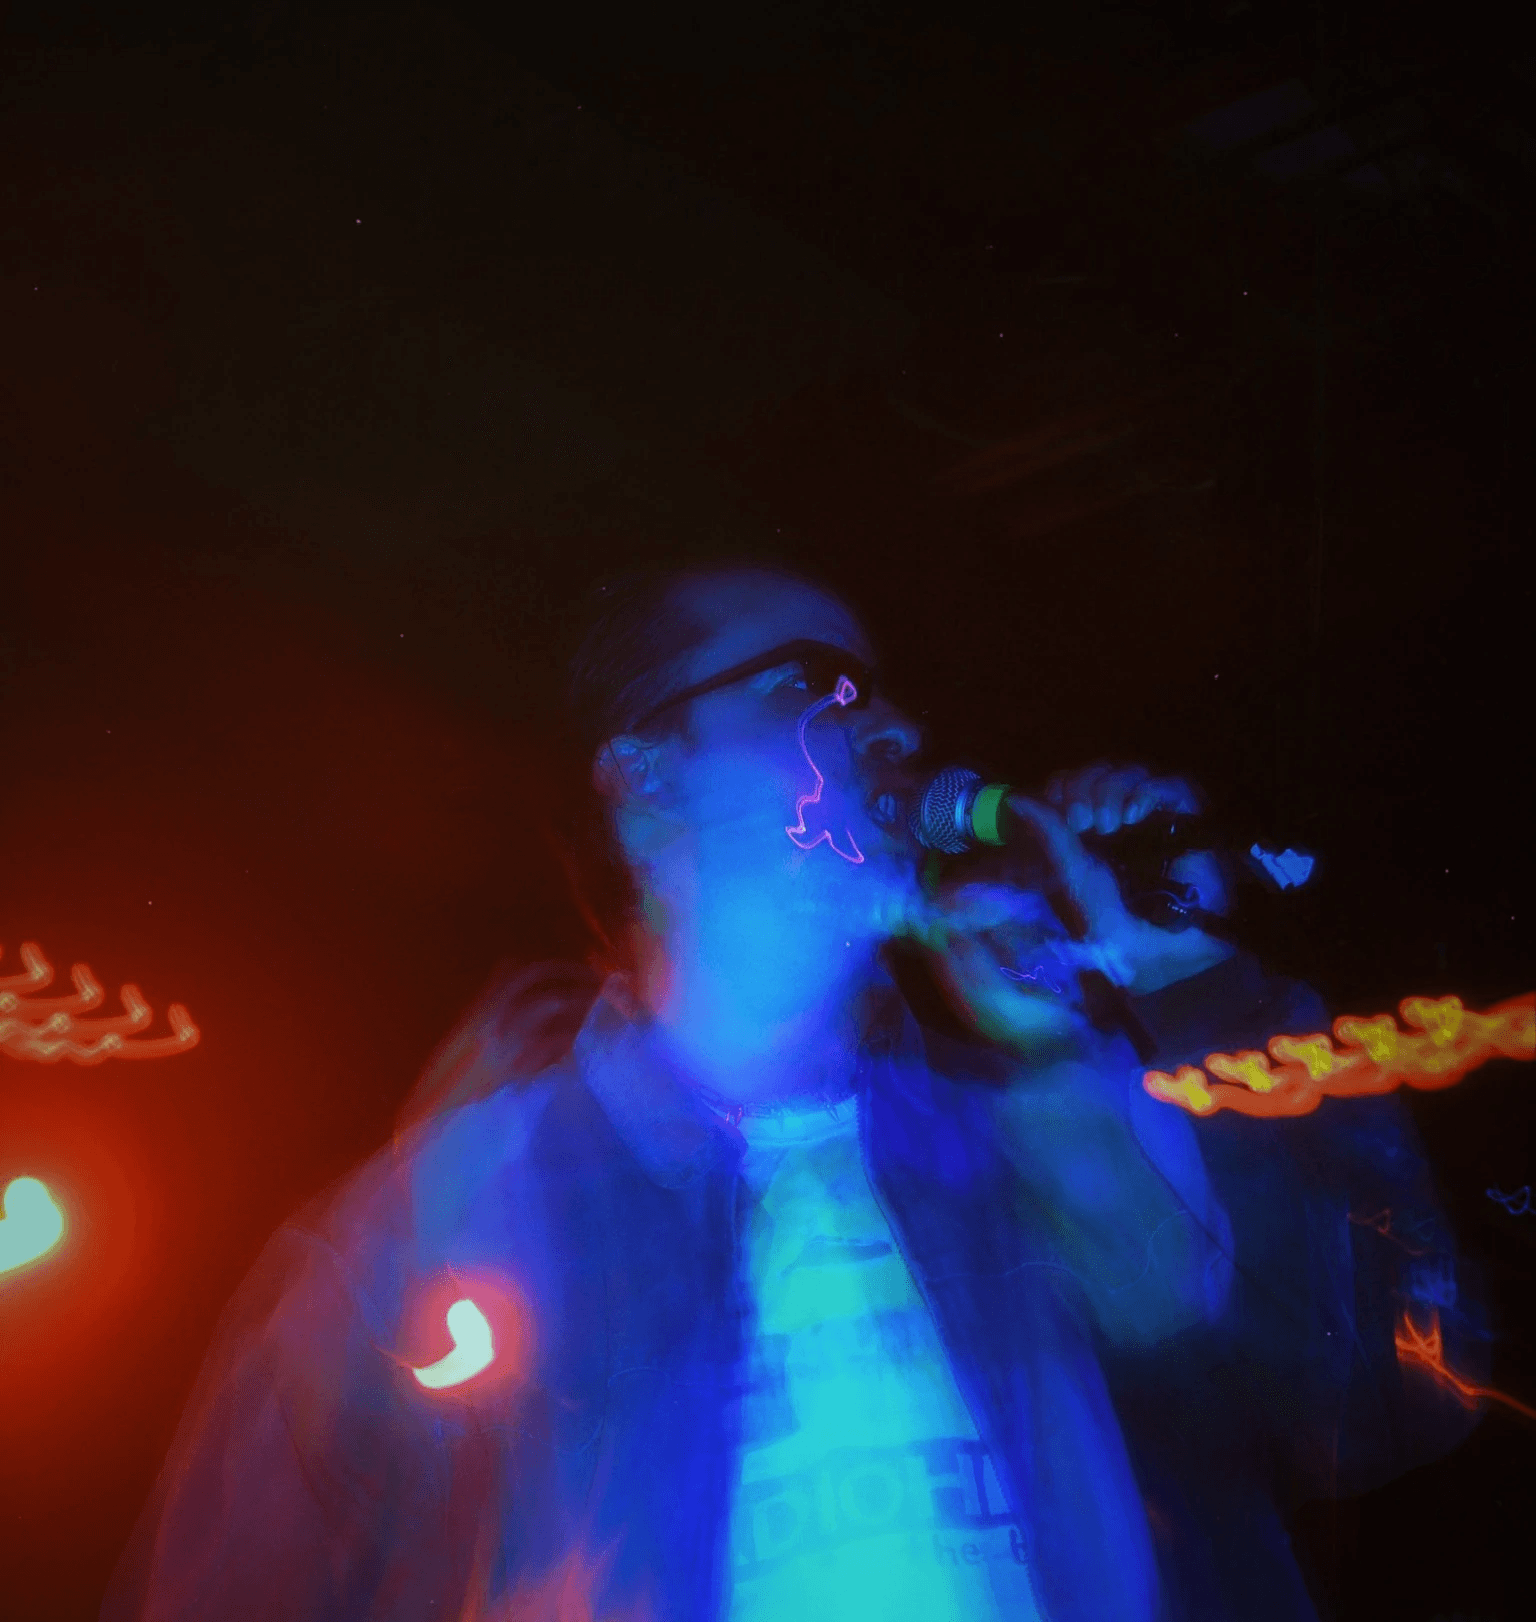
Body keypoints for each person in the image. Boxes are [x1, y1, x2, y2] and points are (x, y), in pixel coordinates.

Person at [102, 564, 1481, 1622]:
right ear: (647, 779)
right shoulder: (444, 1220)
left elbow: (1378, 1399)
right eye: (817, 686)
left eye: (882, 694)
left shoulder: (1030, 1135)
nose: (891, 728)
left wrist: (1181, 984)